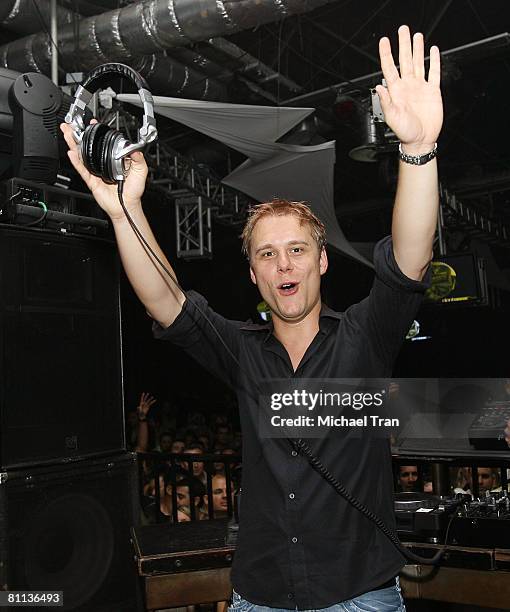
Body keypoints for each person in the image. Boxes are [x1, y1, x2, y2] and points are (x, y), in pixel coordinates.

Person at [62, 25, 442, 612]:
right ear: (255, 275)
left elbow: (410, 261)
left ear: (321, 261)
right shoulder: (242, 350)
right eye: (267, 254)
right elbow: (166, 303)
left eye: (296, 250)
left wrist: (417, 150)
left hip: (359, 595)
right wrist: (125, 210)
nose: (282, 263)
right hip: (261, 595)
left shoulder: (364, 338)